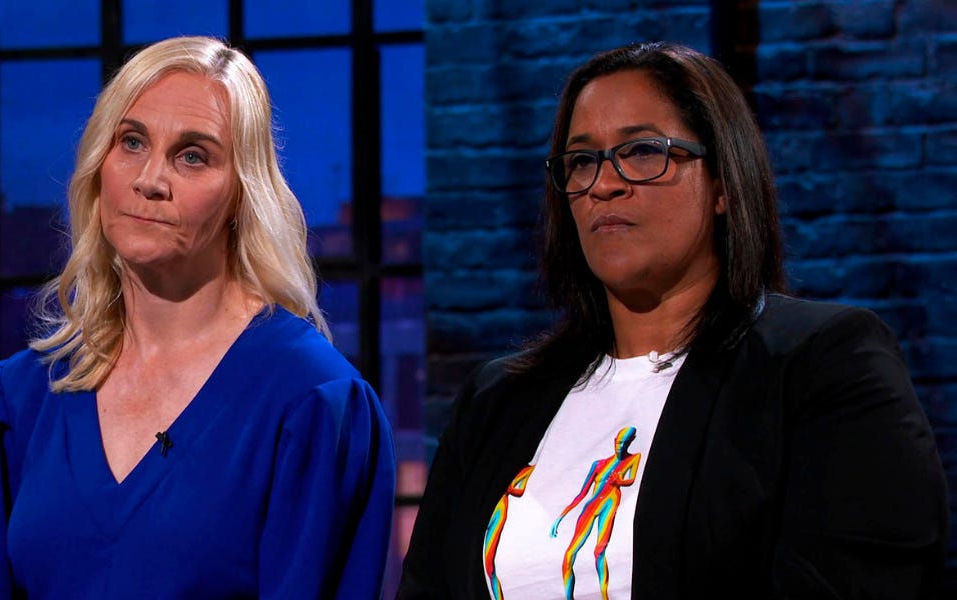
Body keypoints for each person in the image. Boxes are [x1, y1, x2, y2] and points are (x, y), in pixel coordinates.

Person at [398, 41, 947, 599]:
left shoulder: (823, 365)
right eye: (582, 160)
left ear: (722, 185)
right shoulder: (498, 400)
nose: (604, 184)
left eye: (641, 151)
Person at [0, 36, 395, 598]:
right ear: (99, 169)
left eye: (192, 155)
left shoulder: (312, 401)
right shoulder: (17, 402)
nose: (149, 180)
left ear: (243, 196)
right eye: (132, 142)